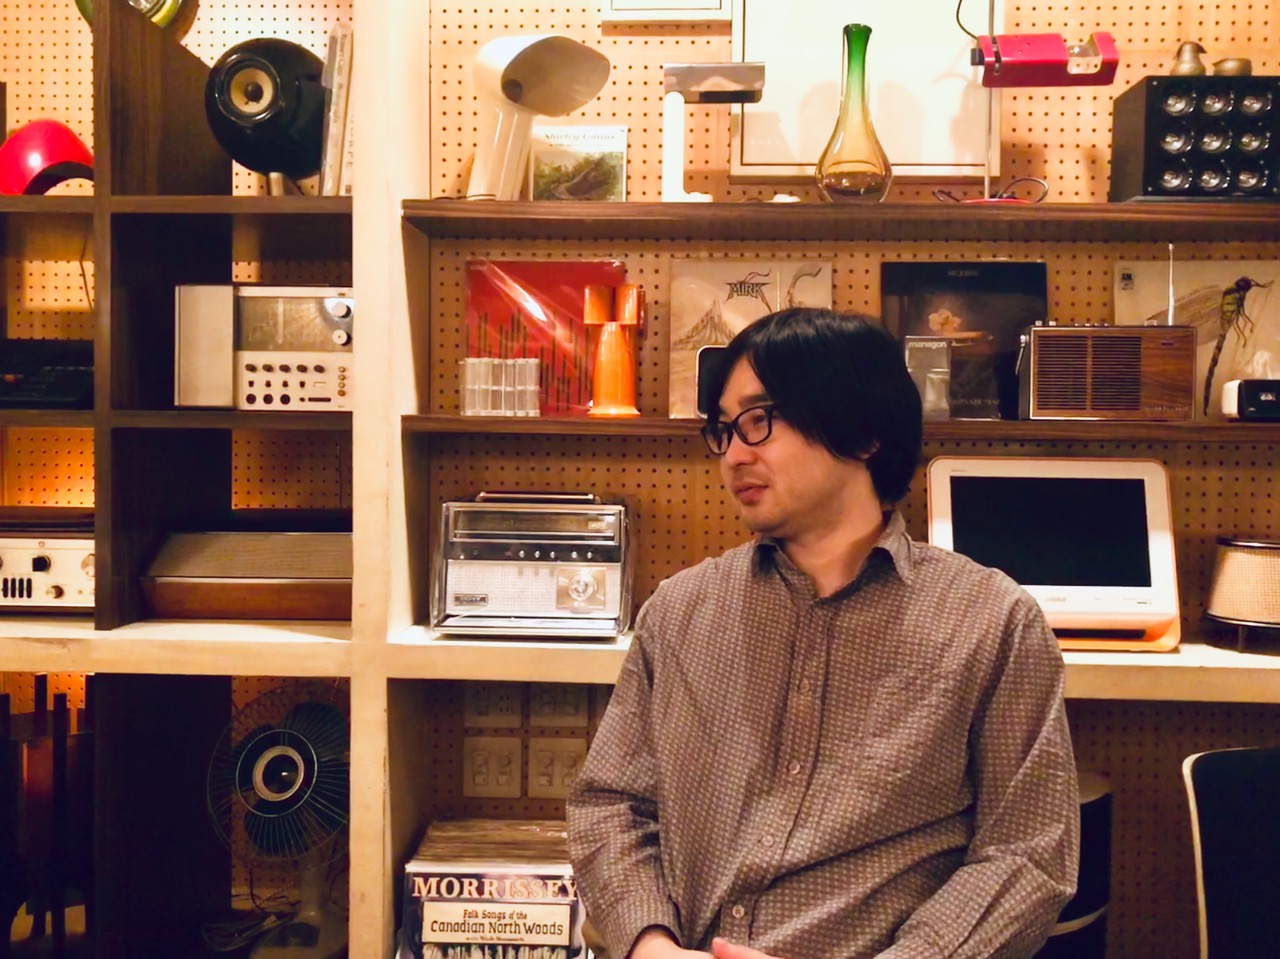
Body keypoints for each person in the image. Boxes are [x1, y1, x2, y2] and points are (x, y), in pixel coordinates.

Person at [566, 307, 1079, 959]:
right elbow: (612, 804)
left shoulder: (991, 621)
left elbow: (1026, 855)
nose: (734, 454)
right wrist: (650, 943)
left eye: (759, 419)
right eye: (723, 429)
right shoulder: (680, 611)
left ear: (863, 431)